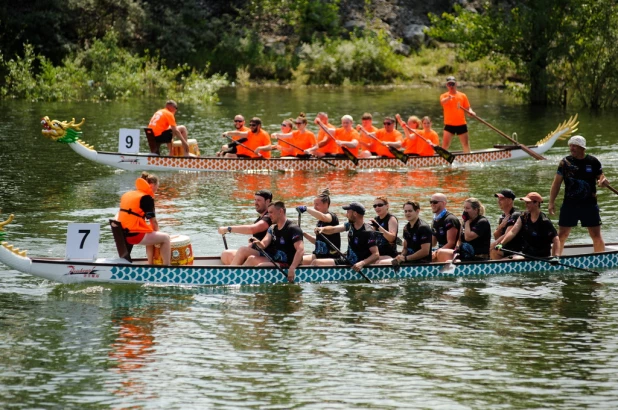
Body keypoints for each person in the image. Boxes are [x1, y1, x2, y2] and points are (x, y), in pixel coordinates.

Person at [548, 135, 610, 253]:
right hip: (569, 204)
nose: (571, 148)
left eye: (574, 146)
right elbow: (556, 184)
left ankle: (599, 258)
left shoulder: (593, 162)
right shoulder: (565, 162)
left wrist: (603, 181)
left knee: (596, 235)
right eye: (570, 146)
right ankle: (556, 259)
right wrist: (551, 202)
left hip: (589, 204)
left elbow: (601, 177)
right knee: (562, 235)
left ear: (582, 147)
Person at [117, 172, 171, 265]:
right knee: (165, 238)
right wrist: (159, 235)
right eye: (157, 185)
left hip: (121, 234)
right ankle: (167, 267)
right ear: (152, 185)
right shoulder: (147, 198)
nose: (157, 189)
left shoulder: (129, 194)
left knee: (151, 233)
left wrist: (155, 234)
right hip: (133, 235)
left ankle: (151, 264)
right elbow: (153, 222)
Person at [244, 202, 304, 282]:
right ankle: (239, 277)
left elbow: (300, 250)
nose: (269, 215)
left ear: (280, 211)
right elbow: (263, 245)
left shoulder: (293, 228)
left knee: (262, 266)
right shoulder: (272, 228)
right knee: (251, 259)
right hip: (276, 261)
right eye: (268, 213)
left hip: (288, 264)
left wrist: (292, 268)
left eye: (271, 212)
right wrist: (257, 242)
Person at [311, 202, 379, 272]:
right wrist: (323, 229)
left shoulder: (369, 232)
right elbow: (333, 229)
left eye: (348, 212)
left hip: (357, 265)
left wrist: (362, 263)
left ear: (355, 214)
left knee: (316, 263)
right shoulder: (350, 225)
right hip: (348, 260)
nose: (346, 215)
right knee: (315, 262)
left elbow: (376, 255)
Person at [496, 192, 560, 259]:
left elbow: (556, 239)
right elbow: (513, 232)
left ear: (536, 203)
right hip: (526, 253)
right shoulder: (524, 217)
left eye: (528, 203)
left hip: (540, 256)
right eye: (525, 203)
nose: (526, 205)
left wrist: (556, 256)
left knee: (514, 259)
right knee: (497, 253)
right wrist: (501, 243)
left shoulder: (544, 221)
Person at [217, 189, 273, 265]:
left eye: (259, 200)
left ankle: (233, 274)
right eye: (255, 200)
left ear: (267, 201)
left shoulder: (270, 217)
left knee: (242, 250)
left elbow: (252, 229)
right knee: (226, 254)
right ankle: (240, 268)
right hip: (256, 251)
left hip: (267, 253)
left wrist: (228, 229)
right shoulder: (259, 219)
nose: (256, 203)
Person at [436, 197, 491, 262]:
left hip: (478, 257)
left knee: (441, 253)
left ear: (476, 210)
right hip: (464, 255)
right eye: (464, 208)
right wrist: (457, 248)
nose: (465, 211)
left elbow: (468, 237)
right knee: (440, 252)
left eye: (467, 208)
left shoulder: (482, 222)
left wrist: (467, 222)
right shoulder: (465, 222)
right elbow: (459, 240)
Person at [296, 189, 340, 264]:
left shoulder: (332, 217)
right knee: (297, 260)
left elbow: (324, 217)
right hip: (318, 255)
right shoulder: (320, 222)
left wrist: (306, 209)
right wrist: (303, 233)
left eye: (317, 204)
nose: (315, 207)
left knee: (306, 262)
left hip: (329, 256)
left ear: (326, 204)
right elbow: (318, 242)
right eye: (314, 204)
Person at [439, 76, 475, 153]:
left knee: (465, 144)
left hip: (461, 124)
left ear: (456, 84)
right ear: (447, 85)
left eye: (452, 84)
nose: (451, 86)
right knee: (445, 145)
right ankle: (441, 160)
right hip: (449, 125)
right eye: (449, 84)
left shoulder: (463, 96)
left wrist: (471, 112)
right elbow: (442, 102)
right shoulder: (444, 96)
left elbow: (468, 108)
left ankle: (468, 159)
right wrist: (448, 98)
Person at [490, 189, 523, 260]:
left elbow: (508, 234)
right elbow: (496, 236)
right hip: (506, 246)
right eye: (498, 199)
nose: (498, 201)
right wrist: (500, 227)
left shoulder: (516, 214)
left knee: (493, 251)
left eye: (501, 199)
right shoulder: (503, 217)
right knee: (492, 250)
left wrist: (494, 244)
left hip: (516, 248)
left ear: (510, 200)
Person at [430, 193, 461, 261]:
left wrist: (436, 252)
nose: (432, 204)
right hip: (441, 250)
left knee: (437, 253)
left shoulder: (450, 219)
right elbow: (433, 242)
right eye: (431, 202)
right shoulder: (435, 220)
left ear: (443, 203)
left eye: (435, 202)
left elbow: (451, 243)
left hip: (452, 252)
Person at [369, 196, 398, 260]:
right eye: (375, 206)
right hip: (378, 254)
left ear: (387, 206)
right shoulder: (376, 219)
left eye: (380, 205)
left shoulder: (391, 219)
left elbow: (391, 238)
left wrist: (378, 226)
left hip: (389, 255)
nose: (377, 208)